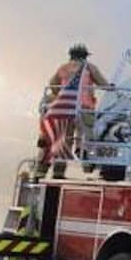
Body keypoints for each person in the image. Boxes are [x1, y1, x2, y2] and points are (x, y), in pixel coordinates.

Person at [36, 44, 110, 176]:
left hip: (66, 109)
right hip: (84, 108)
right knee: (87, 135)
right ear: (85, 56)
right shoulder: (89, 67)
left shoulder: (63, 68)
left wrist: (60, 96)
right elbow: (103, 84)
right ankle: (85, 159)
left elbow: (53, 84)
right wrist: (112, 87)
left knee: (64, 141)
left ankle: (58, 173)